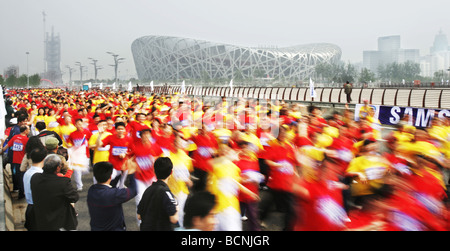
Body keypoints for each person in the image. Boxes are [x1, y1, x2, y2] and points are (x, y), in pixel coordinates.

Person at [30, 154, 79, 231]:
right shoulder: (63, 182)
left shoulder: (35, 178)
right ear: (58, 168)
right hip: (60, 223)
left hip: (41, 221)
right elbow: (74, 197)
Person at [87, 161, 137, 231]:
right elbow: (134, 190)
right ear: (110, 176)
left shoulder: (91, 191)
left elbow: (109, 184)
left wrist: (119, 175)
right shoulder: (114, 194)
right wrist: (132, 172)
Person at [137, 157, 179, 231]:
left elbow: (139, 216)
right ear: (171, 172)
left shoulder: (148, 190)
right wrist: (176, 209)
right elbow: (174, 219)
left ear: (154, 171)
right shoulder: (167, 193)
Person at [1, 125, 30, 199]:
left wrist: (2, 150)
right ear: (25, 131)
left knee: (17, 176)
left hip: (15, 160)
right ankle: (21, 194)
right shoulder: (26, 140)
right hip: (22, 162)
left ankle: (18, 191)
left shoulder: (15, 137)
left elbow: (7, 145)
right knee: (22, 178)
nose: (29, 131)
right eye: (28, 129)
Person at [23, 147, 47, 231]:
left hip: (30, 208)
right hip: (40, 210)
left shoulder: (27, 172)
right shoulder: (40, 174)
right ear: (44, 159)